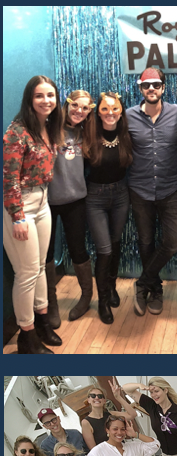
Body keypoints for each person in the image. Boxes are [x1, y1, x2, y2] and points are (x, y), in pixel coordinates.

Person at [4, 76, 62, 352]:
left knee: (40, 267)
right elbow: (9, 177)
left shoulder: (49, 127)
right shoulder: (17, 131)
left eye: (50, 95)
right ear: (30, 98)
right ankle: (26, 337)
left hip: (43, 200)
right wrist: (17, 216)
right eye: (40, 96)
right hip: (21, 204)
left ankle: (41, 322)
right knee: (26, 273)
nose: (46, 101)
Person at [125, 67, 177, 317]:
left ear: (163, 87)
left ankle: (142, 282)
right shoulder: (127, 116)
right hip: (139, 190)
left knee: (173, 242)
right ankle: (155, 288)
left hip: (170, 189)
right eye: (146, 85)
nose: (151, 89)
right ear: (140, 88)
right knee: (145, 242)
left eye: (156, 84)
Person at [45, 89, 94, 328]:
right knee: (46, 255)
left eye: (85, 108)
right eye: (76, 105)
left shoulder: (85, 132)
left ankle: (86, 296)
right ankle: (51, 304)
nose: (79, 111)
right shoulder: (49, 128)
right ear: (67, 103)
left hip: (76, 200)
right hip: (48, 202)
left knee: (78, 250)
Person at [81, 92, 131, 326]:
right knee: (104, 250)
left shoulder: (126, 133)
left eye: (115, 109)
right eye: (105, 109)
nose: (110, 113)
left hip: (121, 194)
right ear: (97, 111)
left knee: (116, 242)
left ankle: (111, 286)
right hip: (96, 198)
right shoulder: (88, 133)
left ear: (121, 111)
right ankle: (102, 300)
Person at [76, 386, 112, 451]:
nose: (97, 398)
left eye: (100, 396)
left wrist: (119, 397)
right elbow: (94, 450)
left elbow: (132, 414)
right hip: (105, 455)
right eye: (93, 396)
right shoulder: (86, 422)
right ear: (88, 400)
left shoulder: (110, 415)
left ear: (104, 401)